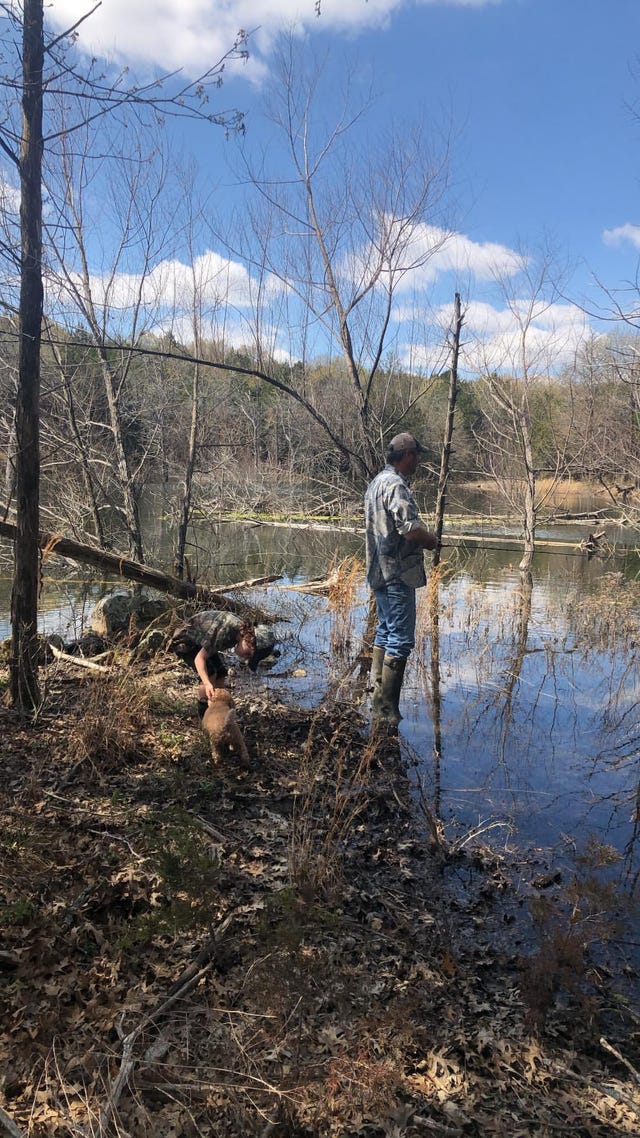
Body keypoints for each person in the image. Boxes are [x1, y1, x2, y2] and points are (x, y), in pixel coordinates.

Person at [364, 432, 437, 724]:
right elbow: (410, 530)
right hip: (396, 575)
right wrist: (431, 540)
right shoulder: (395, 485)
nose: (418, 460)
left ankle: (377, 704)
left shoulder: (377, 482)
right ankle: (386, 711)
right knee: (400, 640)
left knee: (385, 632)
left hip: (379, 572)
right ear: (407, 455)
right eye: (417, 455)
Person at [169, 610, 277, 718]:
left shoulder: (239, 633)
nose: (245, 658)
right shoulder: (226, 630)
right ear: (248, 639)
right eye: (248, 654)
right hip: (185, 640)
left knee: (221, 673)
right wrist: (207, 684)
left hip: (201, 642)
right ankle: (204, 717)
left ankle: (220, 710)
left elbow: (210, 647)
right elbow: (199, 659)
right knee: (210, 674)